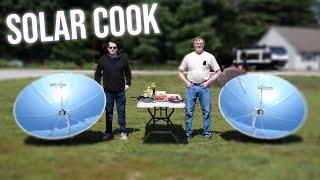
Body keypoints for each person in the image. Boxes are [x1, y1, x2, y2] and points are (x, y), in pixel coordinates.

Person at [178, 36, 222, 140]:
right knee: (189, 112)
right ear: (194, 45)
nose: (199, 44)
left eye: (201, 43)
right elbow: (180, 71)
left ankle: (207, 133)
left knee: (206, 112)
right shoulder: (188, 57)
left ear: (204, 45)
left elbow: (218, 71)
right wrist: (186, 82)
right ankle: (188, 133)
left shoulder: (209, 56)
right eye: (197, 43)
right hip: (191, 87)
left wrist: (209, 82)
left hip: (204, 87)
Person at [95, 39, 132, 141]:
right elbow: (97, 74)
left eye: (114, 47)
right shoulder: (102, 60)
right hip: (108, 92)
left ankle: (123, 131)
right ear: (107, 48)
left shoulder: (123, 59)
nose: (112, 49)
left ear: (117, 49)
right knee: (109, 113)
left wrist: (128, 84)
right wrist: (98, 86)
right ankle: (108, 132)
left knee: (121, 112)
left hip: (120, 91)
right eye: (110, 47)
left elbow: (128, 73)